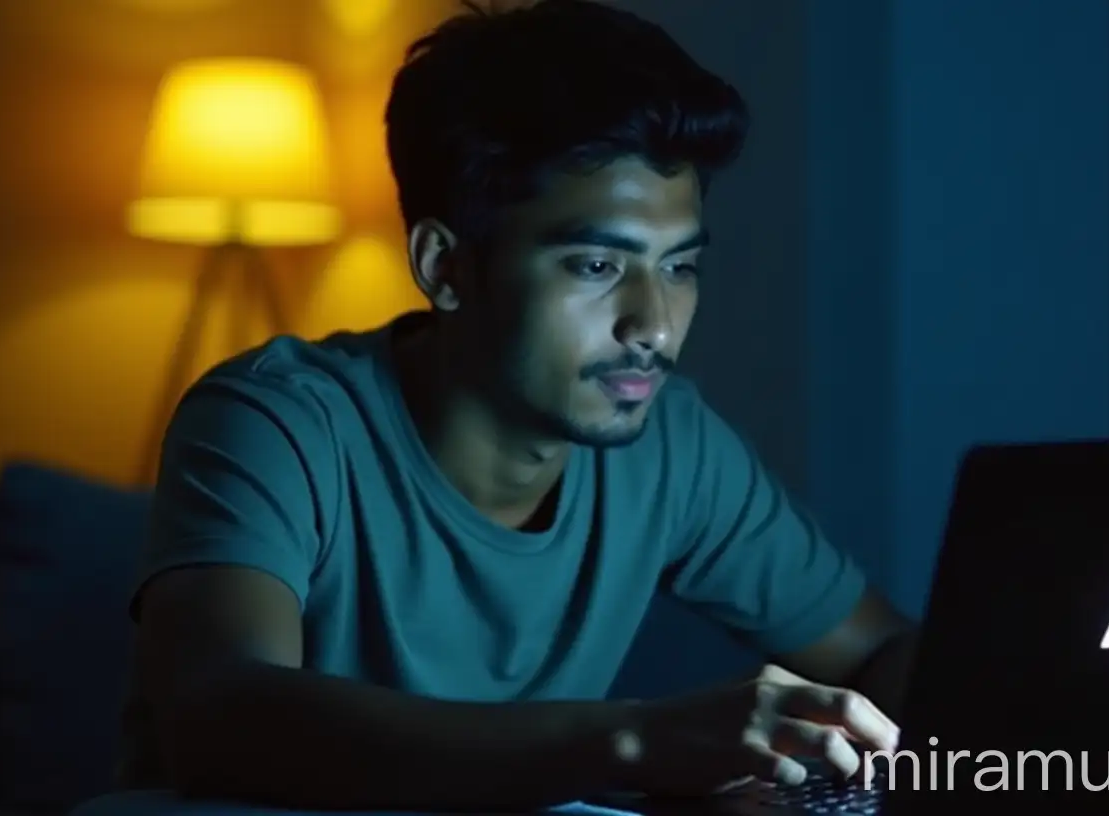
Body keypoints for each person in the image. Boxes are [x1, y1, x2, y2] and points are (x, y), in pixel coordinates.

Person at [121, 0, 919, 811]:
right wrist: (637, 742)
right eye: (597, 266)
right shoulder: (277, 422)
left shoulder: (673, 444)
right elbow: (220, 720)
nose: (653, 325)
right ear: (446, 265)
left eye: (679, 268)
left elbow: (880, 651)